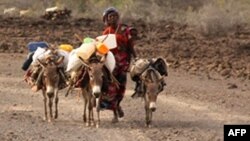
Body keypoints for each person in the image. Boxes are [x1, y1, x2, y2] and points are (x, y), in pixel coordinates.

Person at [102, 7, 137, 117]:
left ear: (118, 18)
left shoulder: (124, 30)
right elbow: (103, 48)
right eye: (110, 17)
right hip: (111, 64)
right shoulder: (106, 32)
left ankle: (117, 105)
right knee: (111, 87)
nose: (113, 18)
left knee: (121, 87)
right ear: (107, 19)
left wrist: (135, 57)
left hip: (122, 63)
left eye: (115, 16)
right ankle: (115, 110)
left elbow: (130, 46)